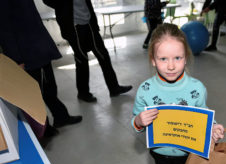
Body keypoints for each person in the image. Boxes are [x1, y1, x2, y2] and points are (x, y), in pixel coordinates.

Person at [131, 23, 224, 164]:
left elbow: (203, 116)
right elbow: (135, 119)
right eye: (163, 59)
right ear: (153, 59)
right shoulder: (145, 90)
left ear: (186, 57)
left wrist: (213, 128)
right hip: (160, 153)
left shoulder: (197, 88)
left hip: (188, 154)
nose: (171, 66)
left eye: (178, 58)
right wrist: (138, 121)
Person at [0, 0, 82, 137]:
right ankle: (43, 129)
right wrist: (17, 59)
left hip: (38, 48)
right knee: (38, 91)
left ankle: (60, 117)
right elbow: (4, 29)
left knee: (49, 87)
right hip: (28, 52)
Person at [43, 0, 132, 103]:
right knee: (82, 60)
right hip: (74, 27)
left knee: (103, 55)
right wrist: (63, 6)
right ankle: (83, 93)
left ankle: (114, 88)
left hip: (89, 23)